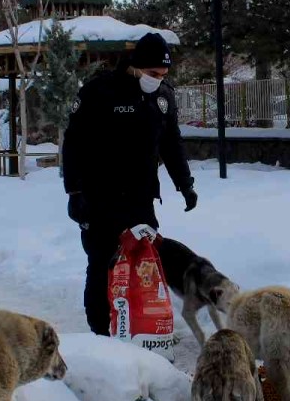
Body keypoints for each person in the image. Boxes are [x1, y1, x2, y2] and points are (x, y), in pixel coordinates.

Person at [61, 31, 198, 336]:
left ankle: (138, 327)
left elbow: (171, 143)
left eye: (163, 74)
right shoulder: (99, 92)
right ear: (135, 65)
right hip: (99, 198)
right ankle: (100, 331)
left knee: (143, 265)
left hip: (141, 199)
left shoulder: (162, 97)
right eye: (152, 73)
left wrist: (184, 183)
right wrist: (75, 191)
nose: (158, 79)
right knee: (101, 264)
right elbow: (74, 144)